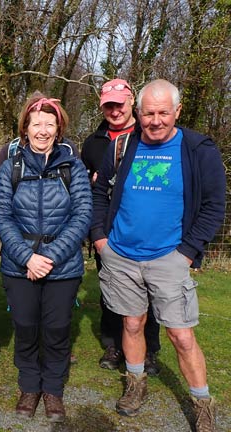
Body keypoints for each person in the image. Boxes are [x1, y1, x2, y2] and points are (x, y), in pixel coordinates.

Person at [91, 79, 225, 431]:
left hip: (170, 257)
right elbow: (99, 195)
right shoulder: (122, 146)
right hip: (120, 255)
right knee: (132, 323)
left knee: (181, 335)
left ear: (177, 112)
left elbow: (214, 207)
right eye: (148, 113)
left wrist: (188, 252)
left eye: (163, 112)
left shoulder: (198, 149)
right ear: (138, 113)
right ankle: (136, 385)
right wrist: (100, 239)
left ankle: (202, 402)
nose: (155, 120)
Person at [0, 95, 92, 422]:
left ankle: (52, 389)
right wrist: (27, 258)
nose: (43, 130)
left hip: (62, 267)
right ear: (25, 128)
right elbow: (1, 215)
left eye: (50, 124)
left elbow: (82, 216)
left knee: (57, 328)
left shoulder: (72, 166)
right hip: (19, 265)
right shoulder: (11, 167)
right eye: (37, 124)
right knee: (25, 325)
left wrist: (48, 257)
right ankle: (29, 386)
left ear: (59, 128)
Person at [81, 78, 161, 375]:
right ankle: (113, 345)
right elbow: (87, 190)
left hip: (146, 230)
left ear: (132, 103)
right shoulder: (93, 143)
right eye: (109, 106)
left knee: (151, 294)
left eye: (120, 104)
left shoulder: (151, 136)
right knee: (111, 291)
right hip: (108, 232)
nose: (115, 111)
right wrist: (96, 235)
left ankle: (149, 350)